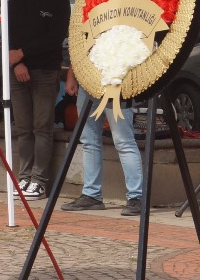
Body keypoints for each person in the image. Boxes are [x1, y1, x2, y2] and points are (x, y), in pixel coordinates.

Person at [9, 0, 70, 199]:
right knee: (23, 128)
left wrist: (22, 53)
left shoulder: (59, 0)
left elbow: (54, 38)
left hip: (45, 72)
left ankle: (39, 181)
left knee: (41, 128)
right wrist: (16, 64)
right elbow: (10, 36)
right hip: (18, 72)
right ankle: (23, 178)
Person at [62, 68, 147, 216]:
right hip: (88, 80)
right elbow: (78, 48)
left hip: (114, 79)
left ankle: (136, 197)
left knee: (123, 141)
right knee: (89, 140)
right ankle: (92, 194)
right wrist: (72, 75)